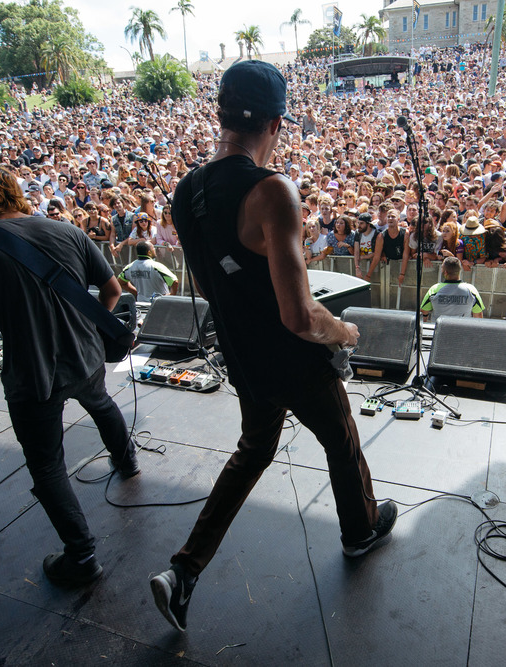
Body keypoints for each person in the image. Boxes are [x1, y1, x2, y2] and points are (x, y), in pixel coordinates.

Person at [154, 60, 394, 633]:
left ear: (220, 115)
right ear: (276, 124)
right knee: (341, 440)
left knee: (254, 448)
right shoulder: (272, 190)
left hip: (240, 357)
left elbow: (215, 281)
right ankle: (360, 532)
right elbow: (299, 314)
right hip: (293, 360)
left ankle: (182, 572)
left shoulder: (185, 191)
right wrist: (343, 332)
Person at [0, 162, 139, 588]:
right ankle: (127, 460)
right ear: (12, 190)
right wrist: (93, 327)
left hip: (33, 371)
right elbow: (114, 289)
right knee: (101, 402)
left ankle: (81, 557)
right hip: (85, 354)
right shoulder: (66, 230)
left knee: (46, 466)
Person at [420, 256, 485, 322]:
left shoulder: (434, 289)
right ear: (459, 271)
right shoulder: (471, 290)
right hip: (463, 331)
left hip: (439, 330)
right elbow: (478, 315)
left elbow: (423, 312)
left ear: (445, 272)